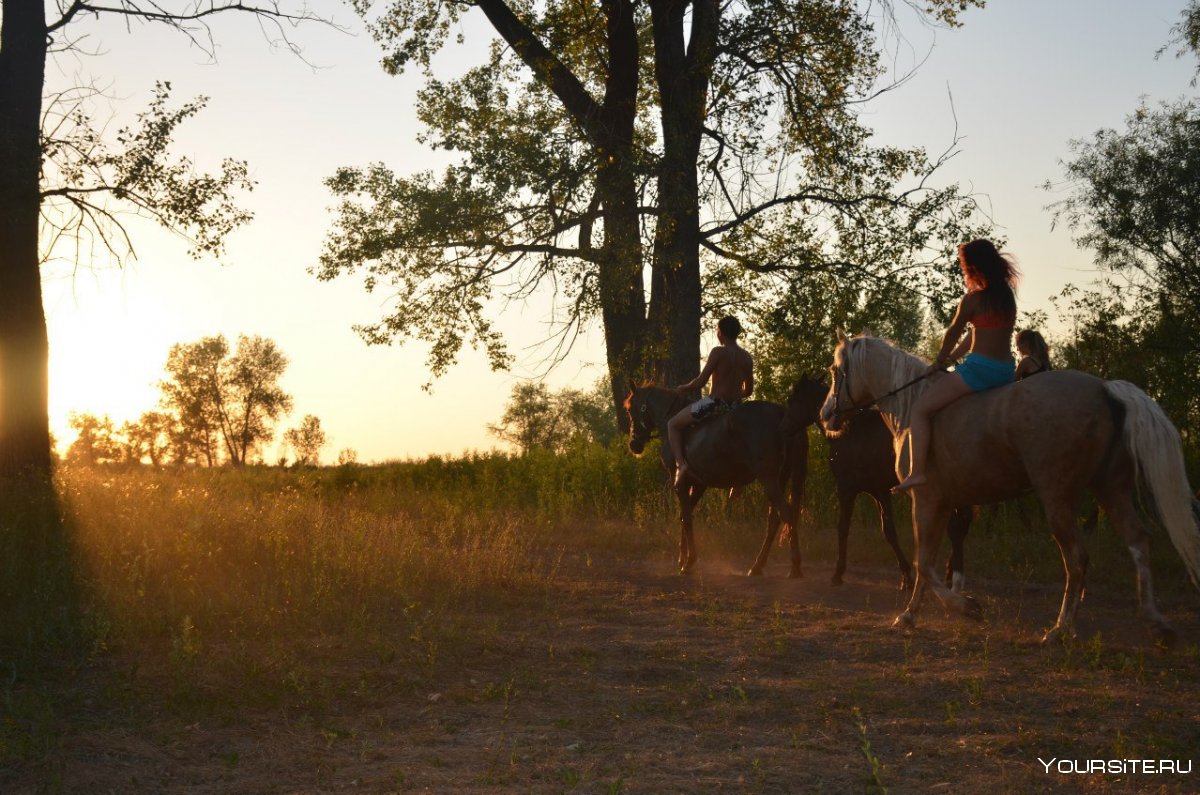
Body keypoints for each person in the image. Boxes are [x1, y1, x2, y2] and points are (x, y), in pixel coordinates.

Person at [893, 239, 1020, 492]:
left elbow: (953, 333)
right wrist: (950, 361)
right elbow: (977, 334)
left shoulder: (973, 300)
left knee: (920, 410)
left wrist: (939, 361)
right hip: (1006, 371)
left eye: (965, 267)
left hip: (979, 371)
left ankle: (917, 472)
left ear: (973, 267)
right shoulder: (1005, 297)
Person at [668, 315, 754, 486]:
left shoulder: (718, 352)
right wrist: (735, 395)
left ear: (720, 333)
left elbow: (700, 381)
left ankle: (681, 465)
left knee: (673, 424)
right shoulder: (746, 357)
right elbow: (749, 390)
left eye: (717, 330)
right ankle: (739, 481)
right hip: (737, 408)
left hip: (714, 404)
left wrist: (683, 388)